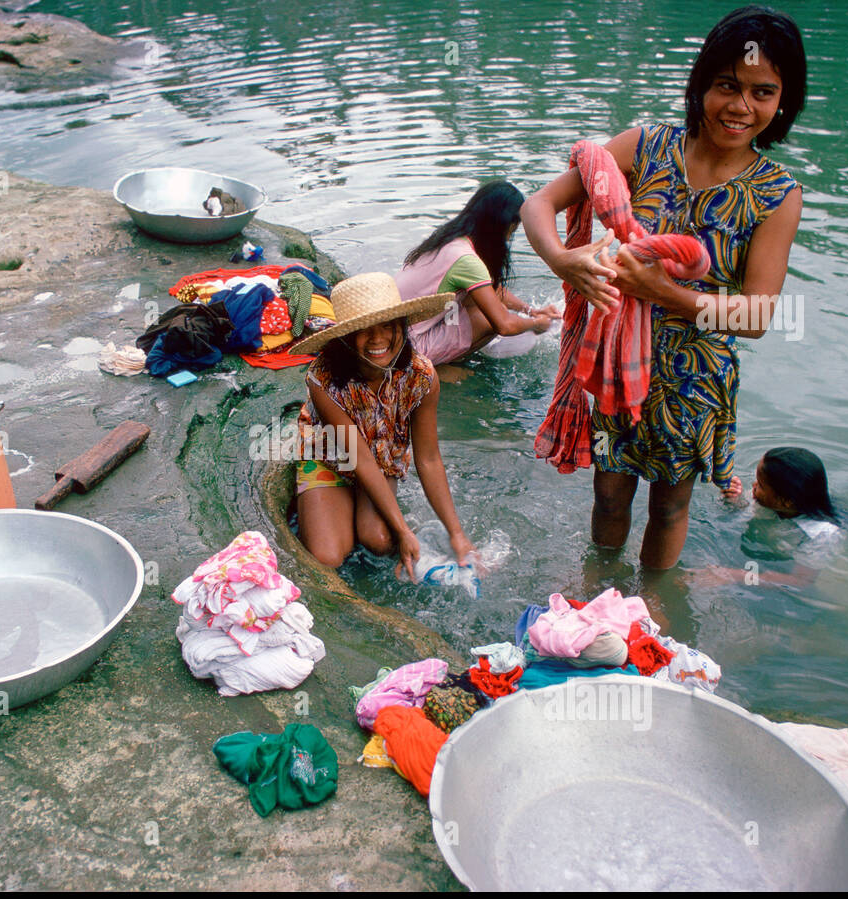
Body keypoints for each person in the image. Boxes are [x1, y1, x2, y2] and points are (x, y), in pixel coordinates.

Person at [521, 4, 806, 570]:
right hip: (614, 361)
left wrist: (662, 293)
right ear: (701, 82)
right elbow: (539, 203)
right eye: (728, 85)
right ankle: (597, 597)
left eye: (763, 92)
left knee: (671, 509)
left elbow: (755, 316)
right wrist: (563, 260)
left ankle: (650, 623)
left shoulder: (777, 193)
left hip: (695, 378)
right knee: (608, 495)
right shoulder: (646, 146)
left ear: (783, 102)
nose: (741, 107)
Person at [292, 272, 474, 575]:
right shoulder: (321, 379)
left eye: (388, 326)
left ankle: (358, 513)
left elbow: (428, 459)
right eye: (364, 330)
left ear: (401, 327)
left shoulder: (421, 376)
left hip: (381, 459)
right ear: (346, 338)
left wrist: (456, 533)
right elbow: (357, 457)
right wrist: (404, 530)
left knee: (378, 539)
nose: (378, 339)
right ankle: (321, 503)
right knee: (328, 558)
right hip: (329, 459)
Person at [396, 179, 559, 365]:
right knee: (488, 320)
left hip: (395, 334)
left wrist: (530, 311)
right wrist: (537, 324)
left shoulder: (451, 240)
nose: (509, 237)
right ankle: (436, 367)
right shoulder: (466, 260)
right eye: (512, 230)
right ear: (502, 224)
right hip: (405, 350)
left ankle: (439, 358)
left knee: (478, 301)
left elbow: (491, 290)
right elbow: (504, 324)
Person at [702, 446, 848, 586]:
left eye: (760, 484)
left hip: (817, 573)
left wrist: (730, 575)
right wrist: (734, 501)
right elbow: (743, 513)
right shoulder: (773, 500)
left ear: (786, 502)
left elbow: (801, 581)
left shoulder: (822, 534)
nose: (753, 486)